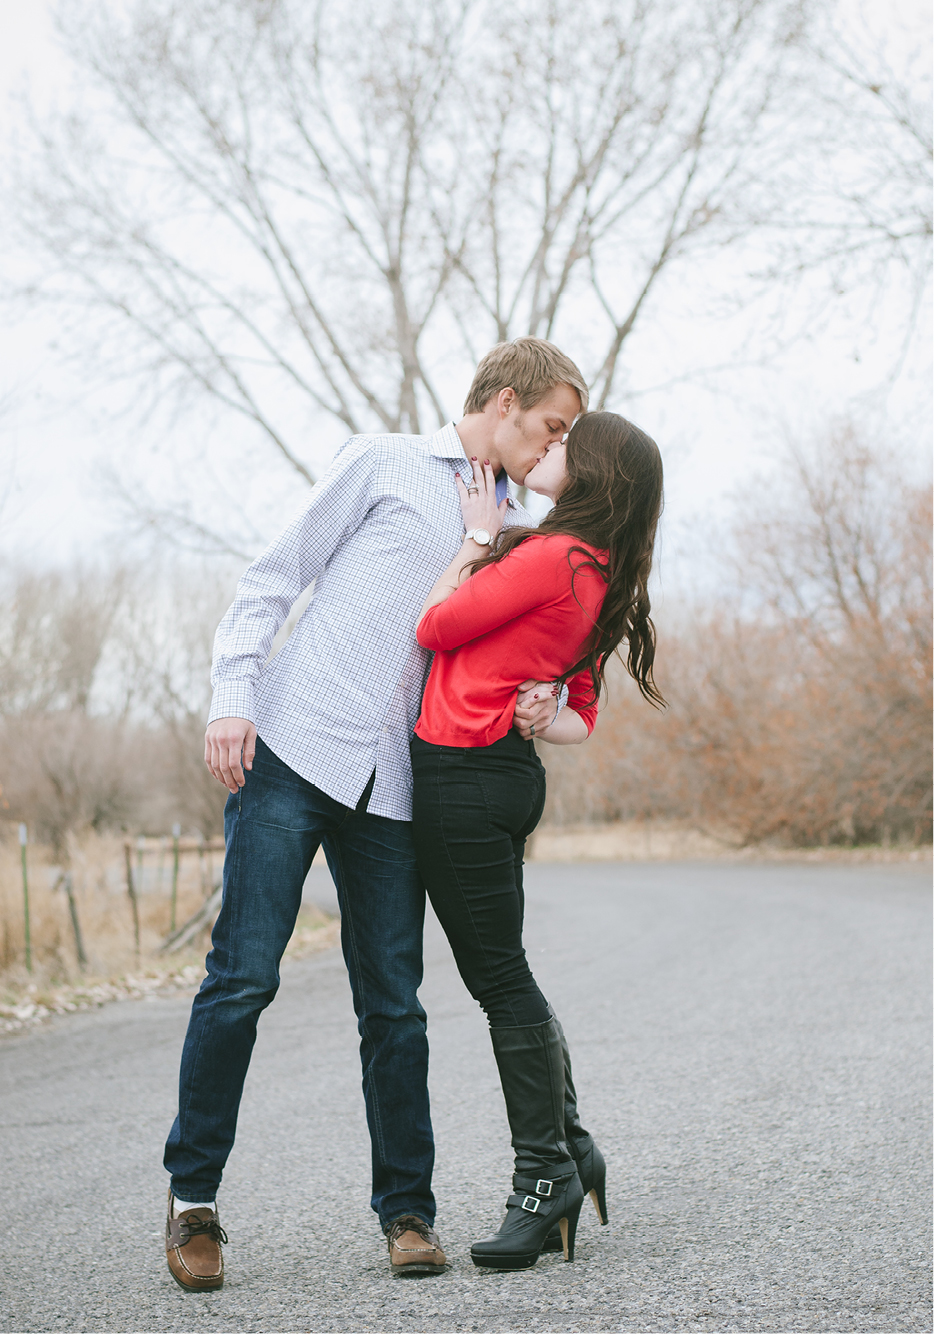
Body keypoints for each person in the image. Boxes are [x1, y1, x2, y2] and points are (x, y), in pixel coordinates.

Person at [161, 337, 592, 1290]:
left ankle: (408, 1212)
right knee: (242, 980)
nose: (555, 447)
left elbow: (512, 652)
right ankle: (194, 1202)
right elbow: (275, 574)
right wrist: (232, 692)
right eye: (553, 426)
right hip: (291, 748)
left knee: (393, 1004)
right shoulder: (382, 460)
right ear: (508, 401)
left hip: (399, 787)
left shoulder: (518, 527)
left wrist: (544, 699)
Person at [410, 410, 665, 1271]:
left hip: (463, 777)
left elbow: (434, 628)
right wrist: (546, 711)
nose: (545, 451)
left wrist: (477, 537)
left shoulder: (551, 555)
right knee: (509, 975)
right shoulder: (598, 569)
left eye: (561, 446)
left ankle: (545, 1175)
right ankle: (573, 1146)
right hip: (508, 779)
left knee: (501, 983)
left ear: (591, 472)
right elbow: (580, 722)